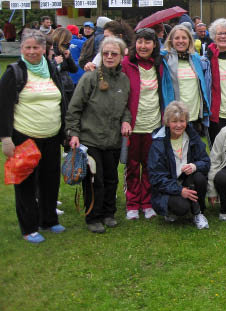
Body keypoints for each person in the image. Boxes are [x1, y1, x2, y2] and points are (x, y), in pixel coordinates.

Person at [0, 29, 67, 243]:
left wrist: (65, 130)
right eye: (27, 47)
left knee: (50, 180)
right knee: (26, 183)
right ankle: (29, 227)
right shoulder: (14, 71)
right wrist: (5, 138)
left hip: (52, 136)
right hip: (24, 137)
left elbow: (61, 99)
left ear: (44, 49)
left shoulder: (50, 68)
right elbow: (3, 106)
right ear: (21, 49)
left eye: (35, 47)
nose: (31, 51)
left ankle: (49, 220)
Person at [65, 37, 132, 233]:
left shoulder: (123, 80)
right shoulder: (90, 78)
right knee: (95, 180)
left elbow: (126, 106)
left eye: (114, 54)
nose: (109, 57)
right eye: (106, 53)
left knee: (112, 179)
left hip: (113, 140)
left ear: (121, 56)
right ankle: (93, 217)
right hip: (90, 138)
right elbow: (74, 109)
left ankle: (109, 213)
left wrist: (126, 119)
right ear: (101, 55)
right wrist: (73, 134)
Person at [121, 28, 164, 220]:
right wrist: (125, 119)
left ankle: (147, 203)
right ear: (134, 44)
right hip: (132, 126)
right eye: (140, 42)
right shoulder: (126, 64)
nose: (143, 46)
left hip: (153, 124)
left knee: (149, 166)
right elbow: (120, 95)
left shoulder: (159, 65)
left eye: (148, 42)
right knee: (131, 167)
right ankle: (132, 203)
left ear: (154, 45)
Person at [147, 101, 211, 229]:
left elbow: (206, 161)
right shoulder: (159, 143)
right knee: (181, 207)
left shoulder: (192, 136)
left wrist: (194, 166)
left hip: (187, 180)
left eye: (182, 121)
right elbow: (156, 178)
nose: (179, 125)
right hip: (169, 186)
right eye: (174, 121)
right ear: (167, 122)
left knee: (199, 177)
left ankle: (199, 213)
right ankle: (171, 210)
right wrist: (180, 190)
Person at [160, 24, 211, 135]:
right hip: (176, 116)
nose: (181, 41)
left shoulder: (195, 58)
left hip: (194, 114)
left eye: (184, 38)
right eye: (177, 38)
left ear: (189, 40)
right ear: (171, 40)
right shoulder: (164, 58)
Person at [51, 27, 78, 103]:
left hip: (67, 86)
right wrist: (55, 63)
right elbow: (50, 70)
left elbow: (74, 69)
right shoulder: (52, 52)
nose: (69, 42)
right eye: (68, 40)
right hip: (59, 87)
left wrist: (69, 58)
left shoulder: (64, 50)